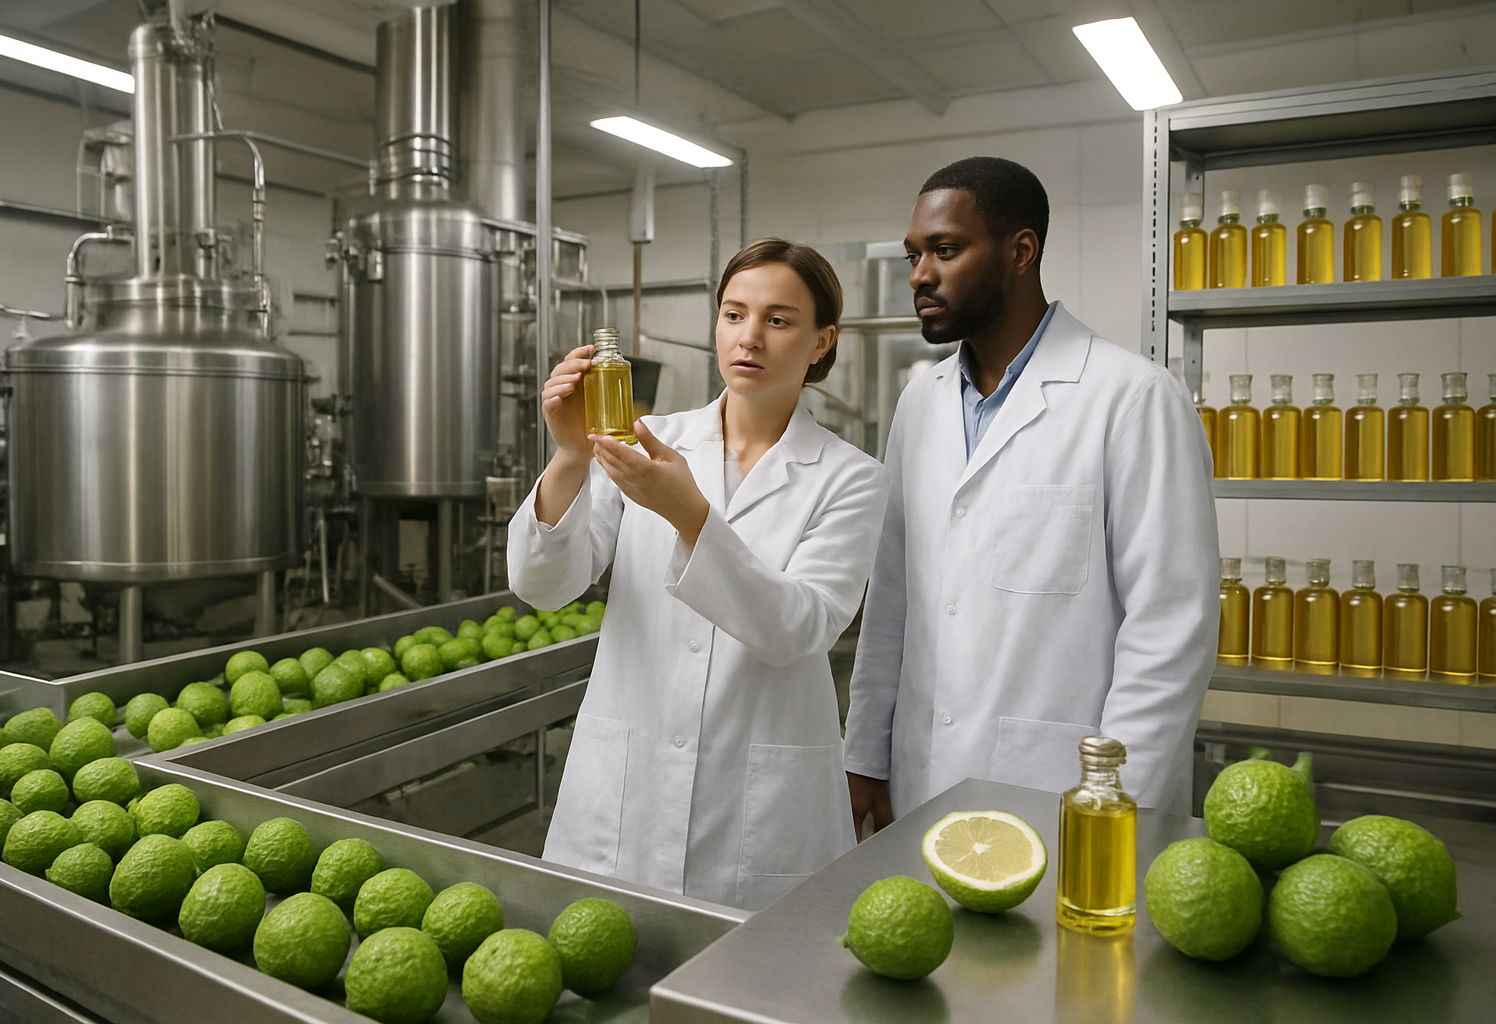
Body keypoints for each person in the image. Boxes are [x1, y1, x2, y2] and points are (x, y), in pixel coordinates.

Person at [509, 238, 888, 910]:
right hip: (627, 787)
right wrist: (569, 456)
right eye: (734, 314)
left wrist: (689, 514)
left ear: (822, 341)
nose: (750, 338)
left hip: (761, 808)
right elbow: (543, 585)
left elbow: (797, 628)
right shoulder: (644, 437)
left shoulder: (851, 479)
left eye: (778, 320)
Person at [844, 156, 1219, 835]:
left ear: (1021, 251)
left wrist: (1114, 802)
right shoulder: (920, 403)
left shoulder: (1132, 397)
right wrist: (868, 756)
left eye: (945, 250)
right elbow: (891, 595)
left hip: (1059, 791)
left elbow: (1169, 629)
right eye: (913, 255)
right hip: (920, 776)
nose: (920, 275)